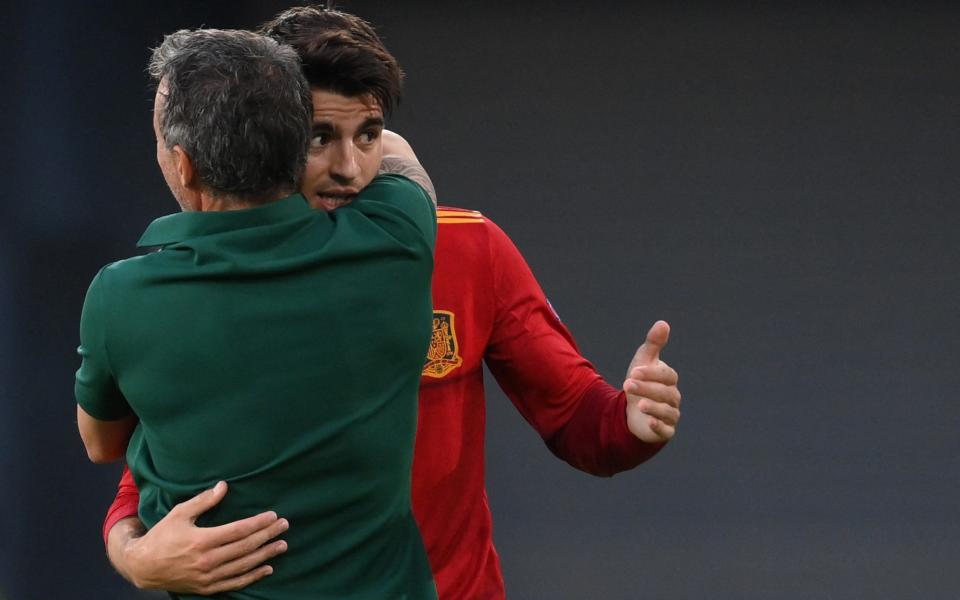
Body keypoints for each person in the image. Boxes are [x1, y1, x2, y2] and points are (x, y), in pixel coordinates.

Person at [100, 7, 683, 600]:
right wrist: (137, 554)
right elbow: (156, 466)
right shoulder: (203, 284)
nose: (349, 169)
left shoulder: (470, 248)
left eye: (369, 134)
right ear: (269, 137)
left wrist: (633, 422)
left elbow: (579, 419)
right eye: (319, 138)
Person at [75, 27, 438, 599]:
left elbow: (101, 444)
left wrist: (133, 555)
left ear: (183, 164)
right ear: (297, 148)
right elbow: (396, 154)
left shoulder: (118, 296)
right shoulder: (398, 241)